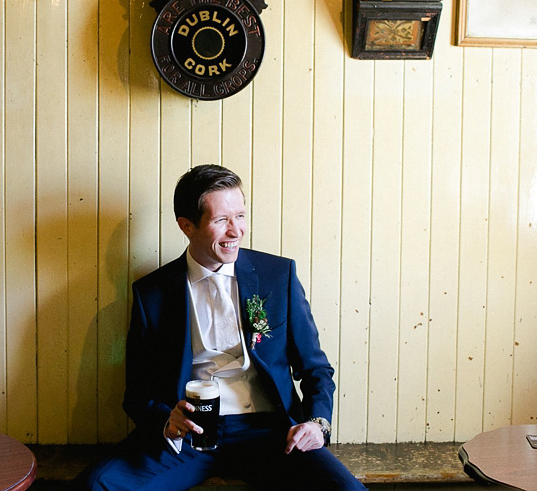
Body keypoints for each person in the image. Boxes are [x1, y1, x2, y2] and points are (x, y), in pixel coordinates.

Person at [75, 165, 365, 491]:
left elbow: (316, 369)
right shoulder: (152, 293)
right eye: (221, 220)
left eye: (240, 216)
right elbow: (138, 394)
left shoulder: (277, 275)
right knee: (96, 484)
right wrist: (166, 422)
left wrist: (317, 423)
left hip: (269, 432)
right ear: (187, 226)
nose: (236, 231)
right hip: (189, 439)